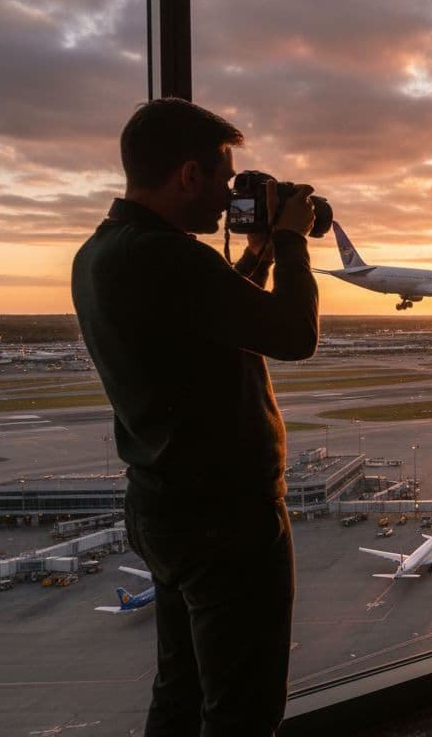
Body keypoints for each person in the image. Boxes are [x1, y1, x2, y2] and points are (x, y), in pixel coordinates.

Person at [71, 98, 319, 736]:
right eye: (219, 180)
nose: (224, 202)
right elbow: (293, 334)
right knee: (243, 707)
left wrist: (257, 257)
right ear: (187, 174)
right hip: (226, 518)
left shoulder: (101, 252)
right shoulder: (171, 257)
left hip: (161, 506)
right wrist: (290, 239)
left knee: (180, 691)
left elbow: (197, 322)